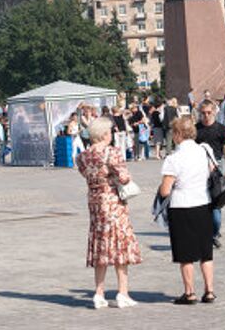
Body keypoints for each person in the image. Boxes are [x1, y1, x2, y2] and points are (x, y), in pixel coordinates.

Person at [75, 116, 142, 309]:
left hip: (95, 203)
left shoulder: (83, 156)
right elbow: (125, 177)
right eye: (110, 131)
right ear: (104, 134)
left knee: (100, 247)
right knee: (120, 246)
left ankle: (99, 293)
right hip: (113, 203)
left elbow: (86, 174)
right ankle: (122, 293)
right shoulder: (112, 153)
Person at [159, 116, 216, 304]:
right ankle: (209, 291)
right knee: (205, 252)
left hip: (181, 206)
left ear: (177, 134)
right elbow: (212, 171)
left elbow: (166, 190)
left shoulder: (173, 158)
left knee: (186, 254)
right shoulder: (204, 150)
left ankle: (189, 292)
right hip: (203, 203)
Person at [195, 100, 225, 248]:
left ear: (214, 112)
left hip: (217, 166)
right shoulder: (196, 129)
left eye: (209, 112)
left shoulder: (221, 129)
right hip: (199, 167)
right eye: (203, 113)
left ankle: (214, 232)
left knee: (216, 200)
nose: (206, 116)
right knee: (203, 201)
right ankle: (208, 232)